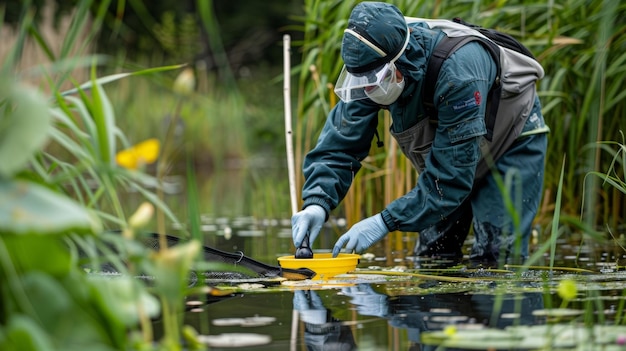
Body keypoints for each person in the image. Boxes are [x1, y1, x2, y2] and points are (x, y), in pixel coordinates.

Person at [291, 2, 549, 266]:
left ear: (398, 64)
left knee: (497, 261)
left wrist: (384, 221)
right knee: (433, 257)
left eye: (373, 83)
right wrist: (317, 202)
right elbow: (340, 144)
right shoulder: (369, 67)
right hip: (450, 152)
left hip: (510, 140)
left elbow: (450, 181)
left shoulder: (458, 72)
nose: (366, 90)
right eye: (361, 82)